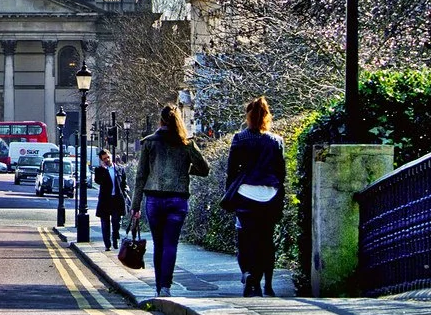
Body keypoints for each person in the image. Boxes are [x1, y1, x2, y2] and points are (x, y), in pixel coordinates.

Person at [130, 104, 210, 297]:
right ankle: (166, 287)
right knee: (171, 244)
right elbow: (205, 169)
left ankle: (159, 288)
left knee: (158, 244)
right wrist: (185, 170)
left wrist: (135, 206)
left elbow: (141, 176)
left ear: (161, 120)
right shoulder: (186, 143)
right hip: (178, 200)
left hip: (154, 200)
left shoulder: (149, 143)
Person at [224, 96, 287, 297]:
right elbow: (281, 172)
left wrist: (230, 194)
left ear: (248, 116)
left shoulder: (239, 138)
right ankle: (267, 283)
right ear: (267, 116)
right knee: (266, 240)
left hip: (245, 194)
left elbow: (232, 171)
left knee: (246, 238)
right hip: (269, 194)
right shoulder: (276, 141)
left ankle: (250, 275)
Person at [93, 148, 128, 251]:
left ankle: (115, 238)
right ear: (101, 160)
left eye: (108, 157)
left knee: (116, 222)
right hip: (105, 201)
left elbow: (124, 182)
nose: (107, 160)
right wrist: (104, 170)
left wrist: (125, 190)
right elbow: (98, 181)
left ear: (110, 156)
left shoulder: (119, 169)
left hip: (116, 200)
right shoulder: (99, 170)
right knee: (105, 224)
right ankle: (107, 244)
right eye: (104, 159)